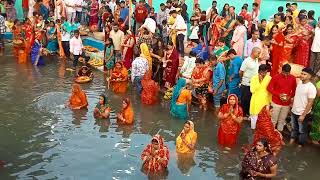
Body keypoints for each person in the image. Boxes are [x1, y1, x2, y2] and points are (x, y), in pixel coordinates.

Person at [290, 68, 317, 147]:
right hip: (294, 110)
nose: (302, 75)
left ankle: (300, 145)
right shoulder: (300, 83)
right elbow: (297, 95)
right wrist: (292, 104)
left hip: (303, 113)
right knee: (293, 127)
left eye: (304, 74)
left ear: (310, 76)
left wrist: (303, 115)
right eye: (301, 73)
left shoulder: (311, 87)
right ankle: (291, 141)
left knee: (302, 131)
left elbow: (310, 102)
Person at [267, 64, 297, 132]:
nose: (286, 75)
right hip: (276, 102)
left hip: (286, 104)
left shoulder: (293, 78)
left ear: (290, 72)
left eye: (287, 73)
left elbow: (294, 91)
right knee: (273, 120)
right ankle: (270, 135)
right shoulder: (276, 77)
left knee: (282, 120)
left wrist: (289, 97)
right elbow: (269, 88)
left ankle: (279, 135)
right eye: (284, 73)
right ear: (281, 70)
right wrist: (278, 94)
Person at [240, 47, 261, 117]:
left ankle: (248, 114)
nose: (259, 54)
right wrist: (243, 80)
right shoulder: (246, 61)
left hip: (253, 84)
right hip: (246, 83)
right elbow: (241, 72)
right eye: (258, 53)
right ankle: (242, 115)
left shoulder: (256, 60)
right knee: (244, 100)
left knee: (250, 100)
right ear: (254, 52)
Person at [249, 64, 272, 130]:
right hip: (255, 101)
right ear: (258, 71)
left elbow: (270, 93)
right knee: (254, 119)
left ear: (266, 71)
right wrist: (259, 81)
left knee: (263, 120)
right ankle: (253, 132)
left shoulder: (269, 78)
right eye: (261, 72)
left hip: (265, 102)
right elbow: (252, 90)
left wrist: (269, 103)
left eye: (264, 72)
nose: (262, 74)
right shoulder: (254, 78)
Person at [310, 71, 320, 144]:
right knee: (316, 122)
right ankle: (314, 138)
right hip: (318, 104)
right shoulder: (319, 83)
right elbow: (319, 95)